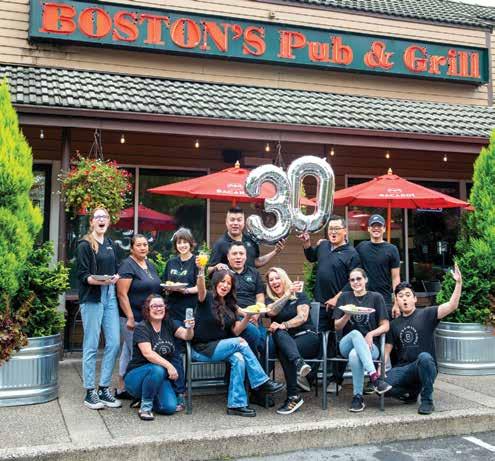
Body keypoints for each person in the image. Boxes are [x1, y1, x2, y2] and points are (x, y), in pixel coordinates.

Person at [192, 265, 285, 417]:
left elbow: (235, 331)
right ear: (215, 282)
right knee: (240, 342)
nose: (225, 285)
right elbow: (201, 287)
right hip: (202, 348)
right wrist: (201, 270)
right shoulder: (206, 297)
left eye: (229, 283)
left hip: (221, 347)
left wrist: (247, 316)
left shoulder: (230, 306)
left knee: (239, 358)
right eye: (222, 281)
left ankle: (236, 404)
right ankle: (261, 381)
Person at [384, 264, 462, 415]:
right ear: (396, 301)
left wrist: (458, 283)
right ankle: (413, 391)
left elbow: (452, 306)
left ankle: (427, 400)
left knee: (424, 357)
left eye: (408, 295)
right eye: (400, 296)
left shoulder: (427, 314)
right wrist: (379, 373)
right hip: (405, 369)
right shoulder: (393, 325)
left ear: (415, 299)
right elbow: (387, 350)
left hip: (425, 366)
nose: (404, 299)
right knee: (383, 389)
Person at [298, 215, 361, 392]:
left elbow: (352, 282)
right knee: (317, 339)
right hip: (320, 304)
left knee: (338, 343)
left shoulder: (352, 254)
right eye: (330, 229)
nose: (332, 232)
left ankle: (336, 380)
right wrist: (306, 243)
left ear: (345, 231)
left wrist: (337, 298)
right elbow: (311, 257)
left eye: (336, 229)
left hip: (340, 306)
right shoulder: (323, 245)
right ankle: (308, 378)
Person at [76, 206, 121, 410]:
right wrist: (98, 281)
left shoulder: (110, 244)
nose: (101, 220)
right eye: (98, 217)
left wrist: (115, 277)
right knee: (92, 344)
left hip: (110, 295)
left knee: (114, 343)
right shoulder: (84, 244)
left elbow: (115, 269)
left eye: (105, 217)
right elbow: (83, 275)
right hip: (93, 297)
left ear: (108, 221)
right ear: (92, 222)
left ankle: (103, 388)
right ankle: (89, 391)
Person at [124, 294, 194, 421]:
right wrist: (169, 366)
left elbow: (187, 336)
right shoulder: (142, 327)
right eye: (154, 306)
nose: (158, 309)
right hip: (136, 377)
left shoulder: (168, 323)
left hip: (159, 378)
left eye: (161, 306)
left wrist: (190, 328)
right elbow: (148, 353)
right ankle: (145, 408)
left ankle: (145, 398)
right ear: (148, 309)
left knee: (169, 408)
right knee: (157, 369)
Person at [333, 268, 392, 412]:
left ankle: (358, 397)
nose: (356, 282)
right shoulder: (344, 297)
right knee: (354, 333)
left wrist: (371, 334)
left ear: (365, 280)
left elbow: (386, 326)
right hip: (346, 344)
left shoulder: (376, 297)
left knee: (355, 355)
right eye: (352, 280)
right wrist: (347, 314)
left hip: (371, 347)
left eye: (359, 278)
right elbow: (336, 326)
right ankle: (375, 378)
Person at [265, 267, 320, 415]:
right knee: (281, 339)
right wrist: (287, 294)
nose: (274, 282)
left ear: (284, 278)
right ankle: (298, 365)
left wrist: (284, 325)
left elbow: (302, 317)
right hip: (287, 343)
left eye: (277, 278)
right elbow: (271, 311)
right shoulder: (270, 301)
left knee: (281, 336)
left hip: (307, 338)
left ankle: (293, 396)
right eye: (271, 280)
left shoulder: (300, 295)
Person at [116, 234, 162, 400]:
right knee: (138, 354)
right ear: (131, 248)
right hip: (132, 318)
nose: (143, 248)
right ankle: (137, 390)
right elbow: (121, 294)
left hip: (146, 319)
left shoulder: (149, 265)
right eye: (139, 245)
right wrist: (129, 317)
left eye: (145, 245)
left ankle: (122, 388)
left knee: (128, 351)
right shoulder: (127, 265)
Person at [208, 206, 285, 274]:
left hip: (251, 282)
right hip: (231, 284)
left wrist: (275, 251)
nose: (235, 223)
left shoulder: (251, 240)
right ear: (226, 222)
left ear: (244, 222)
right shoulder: (220, 244)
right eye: (232, 220)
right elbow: (208, 270)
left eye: (239, 220)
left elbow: (255, 262)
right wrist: (216, 267)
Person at [355, 214, 401, 318]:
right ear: (368, 229)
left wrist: (397, 303)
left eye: (379, 226)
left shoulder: (392, 249)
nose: (376, 228)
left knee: (384, 326)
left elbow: (396, 277)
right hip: (363, 297)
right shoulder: (361, 247)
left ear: (384, 229)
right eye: (373, 226)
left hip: (384, 298)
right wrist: (327, 243)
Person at [162, 227, 199, 322]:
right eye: (179, 243)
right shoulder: (170, 262)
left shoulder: (197, 262)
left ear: (190, 243)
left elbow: (200, 287)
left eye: (185, 242)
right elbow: (165, 283)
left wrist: (185, 290)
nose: (182, 245)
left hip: (189, 309)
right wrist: (168, 289)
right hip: (171, 308)